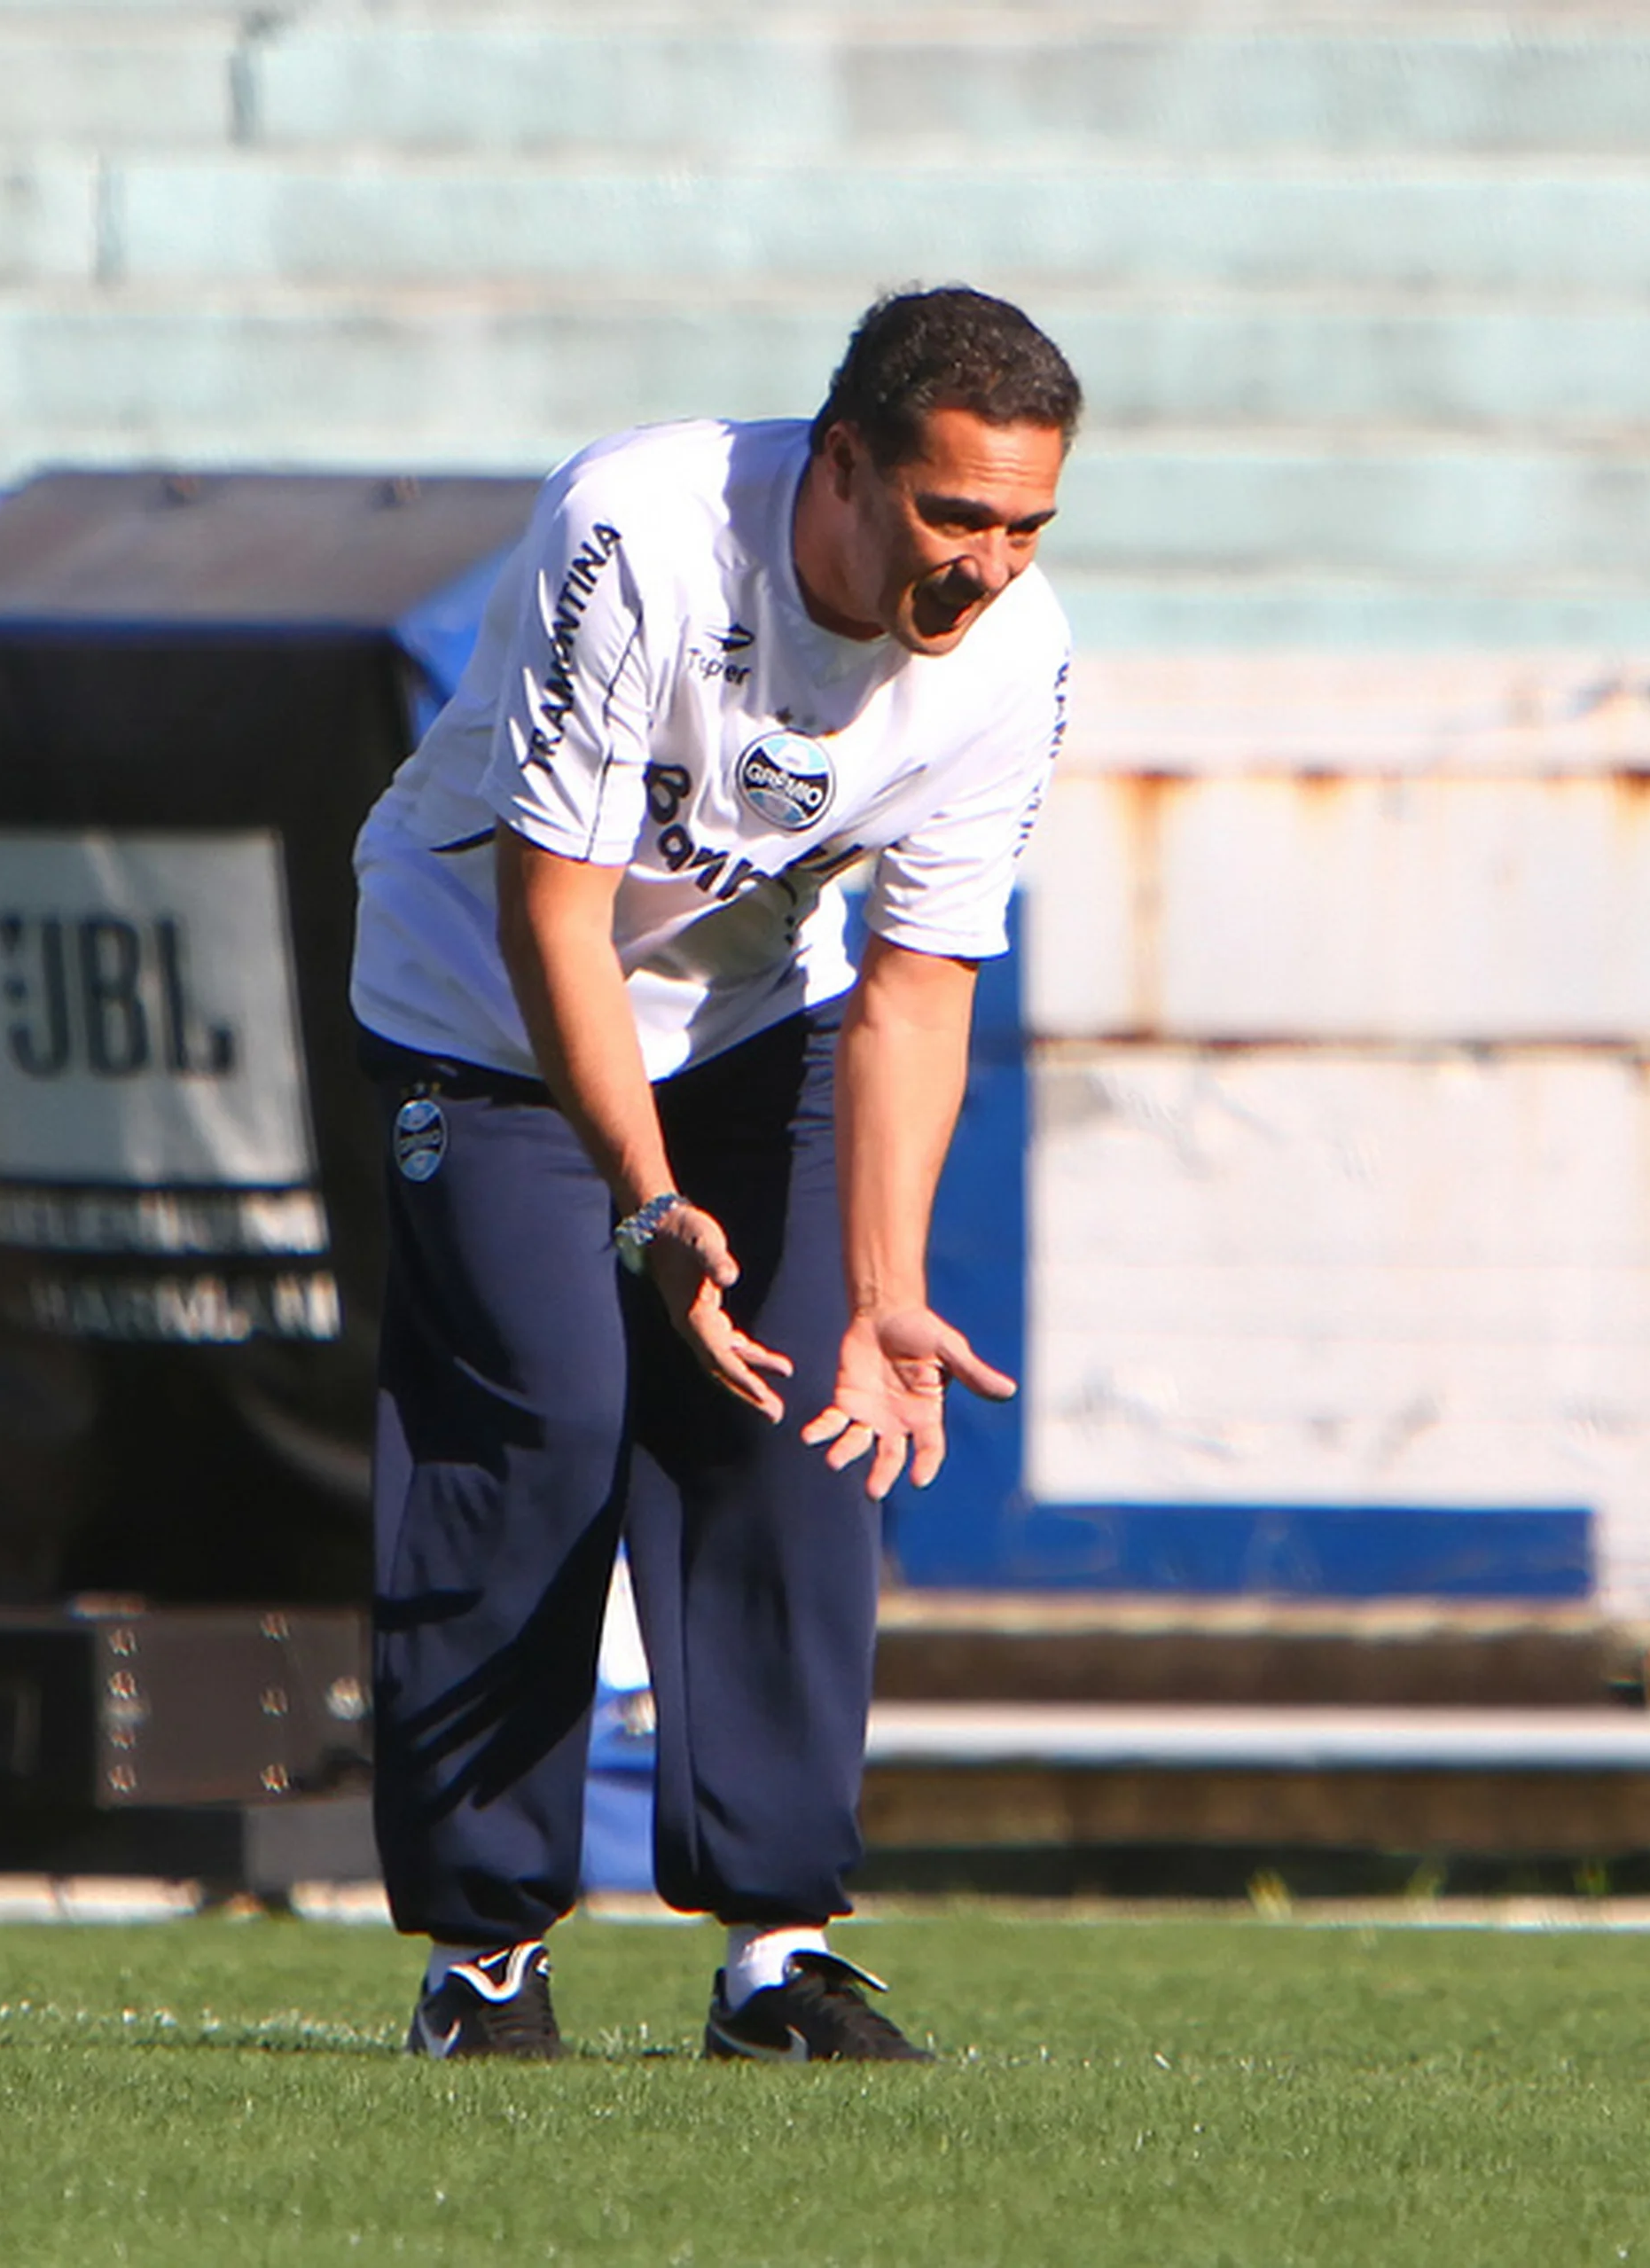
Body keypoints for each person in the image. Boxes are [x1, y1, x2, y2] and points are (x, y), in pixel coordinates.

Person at [346, 285, 1079, 2062]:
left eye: (1024, 525)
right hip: (491, 1016)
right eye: (953, 515)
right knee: (542, 1420)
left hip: (752, 1024)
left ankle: (775, 1954)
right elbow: (554, 911)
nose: (987, 565)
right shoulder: (642, 533)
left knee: (796, 1438)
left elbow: (918, 989)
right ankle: (486, 1954)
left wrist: (887, 1287)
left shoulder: (1016, 654)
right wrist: (653, 1205)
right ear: (843, 466)